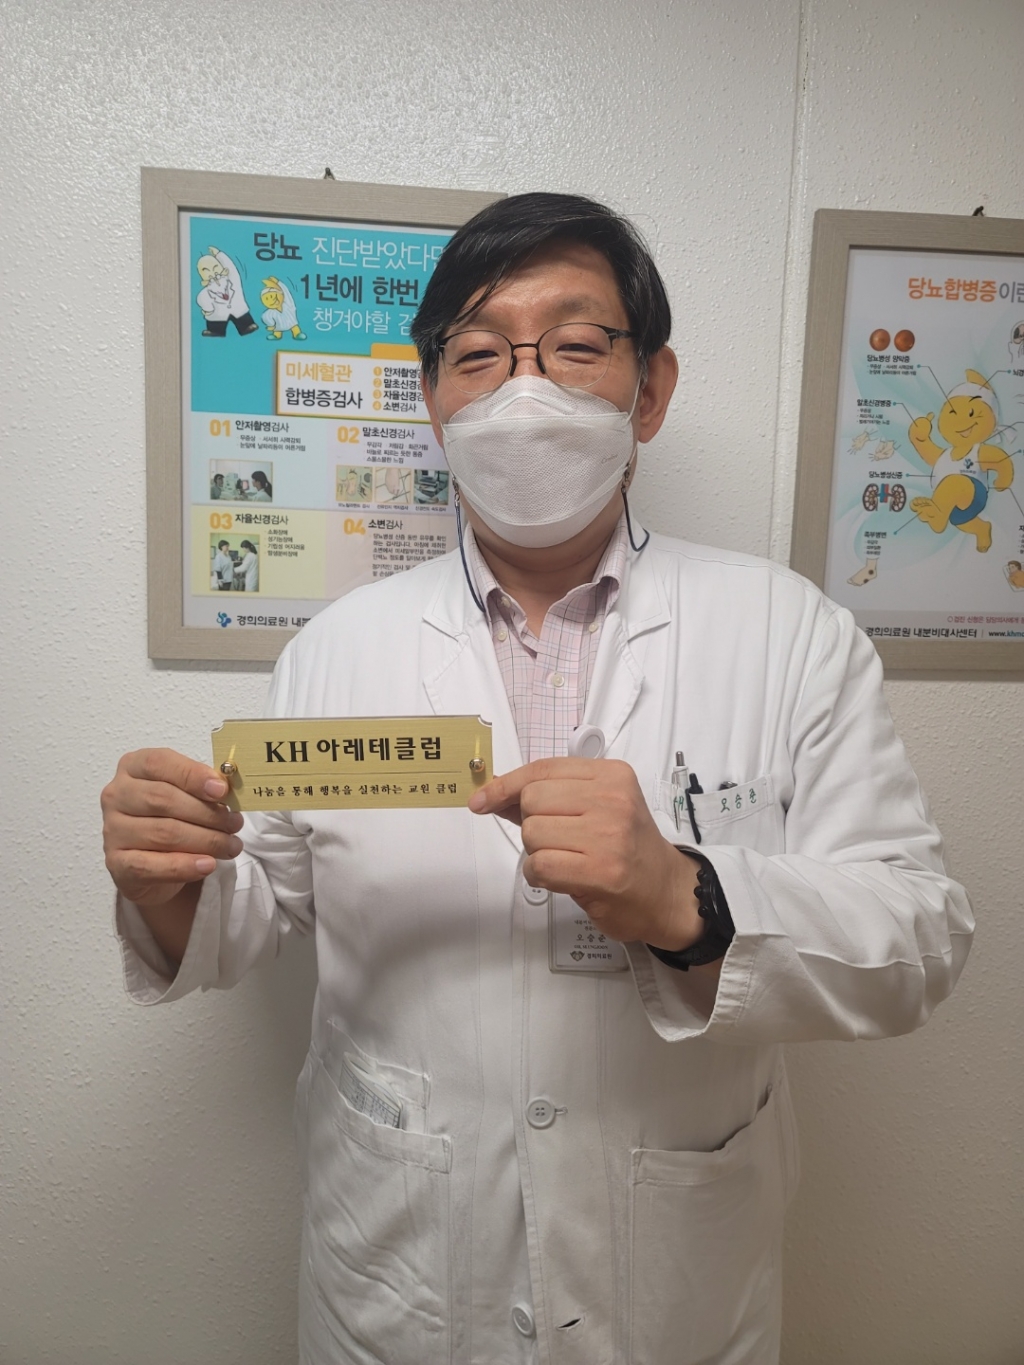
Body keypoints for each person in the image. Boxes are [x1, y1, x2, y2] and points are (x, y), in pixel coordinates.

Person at [102, 194, 973, 1365]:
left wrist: (687, 899)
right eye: (477, 354)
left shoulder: (787, 633)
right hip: (399, 1262)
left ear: (648, 391)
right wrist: (172, 880)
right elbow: (258, 910)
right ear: (432, 399)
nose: (523, 391)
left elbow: (917, 937)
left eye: (573, 345)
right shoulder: (338, 648)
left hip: (670, 1282)